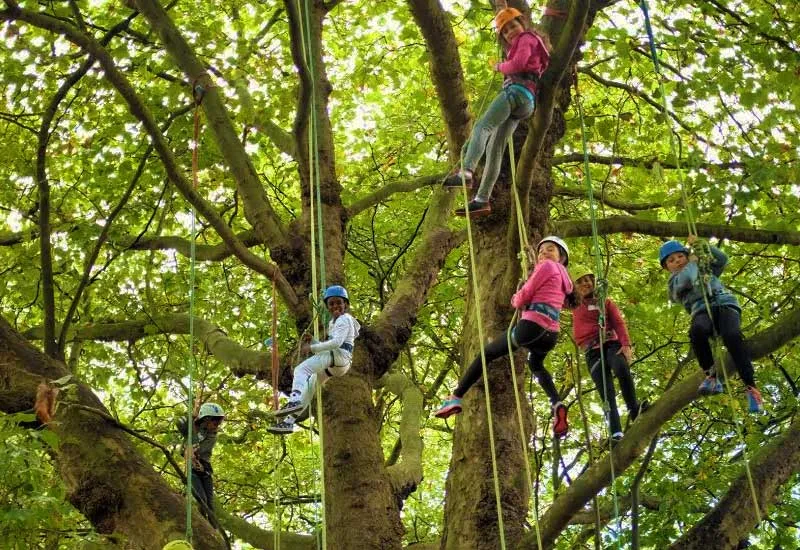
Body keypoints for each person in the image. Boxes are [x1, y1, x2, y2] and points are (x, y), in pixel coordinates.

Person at [435, 236, 575, 438]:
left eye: (550, 249)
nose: (544, 253)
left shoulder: (546, 268)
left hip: (531, 326)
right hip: (550, 334)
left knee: (487, 353)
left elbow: (524, 296)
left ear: (561, 258)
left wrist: (516, 297)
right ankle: (556, 403)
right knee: (536, 365)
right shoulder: (565, 280)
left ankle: (455, 397)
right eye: (541, 251)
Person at [442, 5, 551, 218]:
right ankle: (482, 200)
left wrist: (500, 67)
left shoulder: (527, 38)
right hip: (526, 103)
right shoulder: (533, 45)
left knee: (483, 126)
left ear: (523, 23)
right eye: (506, 30)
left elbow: (518, 63)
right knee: (495, 151)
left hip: (515, 93)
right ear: (504, 37)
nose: (512, 31)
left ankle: (467, 171)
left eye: (514, 25)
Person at [659, 238, 763, 412]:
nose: (677, 261)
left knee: (732, 336)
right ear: (666, 268)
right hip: (701, 312)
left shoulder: (705, 267)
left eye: (679, 256)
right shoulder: (673, 283)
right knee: (697, 332)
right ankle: (711, 376)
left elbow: (722, 259)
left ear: (686, 255)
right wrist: (692, 262)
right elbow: (687, 280)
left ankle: (751, 387)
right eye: (671, 260)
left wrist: (702, 245)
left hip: (725, 304)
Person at [268, 285, 361, 435]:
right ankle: (288, 422)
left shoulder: (344, 319)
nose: (335, 306)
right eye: (331, 304)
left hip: (339, 357)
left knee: (301, 369)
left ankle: (294, 400)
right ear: (327, 307)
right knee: (310, 386)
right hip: (337, 364)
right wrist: (314, 342)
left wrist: (312, 348)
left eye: (339, 302)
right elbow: (334, 345)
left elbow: (337, 343)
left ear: (346, 305)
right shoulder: (334, 322)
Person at [571, 266, 648, 443]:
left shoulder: (605, 302)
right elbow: (554, 294)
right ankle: (615, 431)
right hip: (592, 351)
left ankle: (634, 409)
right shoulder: (574, 304)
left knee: (621, 367)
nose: (586, 284)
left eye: (588, 280)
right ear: (574, 286)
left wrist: (626, 345)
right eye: (580, 281)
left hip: (611, 344)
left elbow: (619, 323)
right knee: (606, 391)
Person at [176, 402, 225, 527]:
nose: (217, 426)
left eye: (219, 423)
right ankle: (202, 524)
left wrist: (192, 437)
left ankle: (214, 528)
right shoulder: (193, 428)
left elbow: (199, 449)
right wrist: (188, 430)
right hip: (193, 470)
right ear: (206, 420)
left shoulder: (212, 436)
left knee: (210, 503)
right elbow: (184, 451)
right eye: (215, 423)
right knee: (202, 500)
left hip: (205, 470)